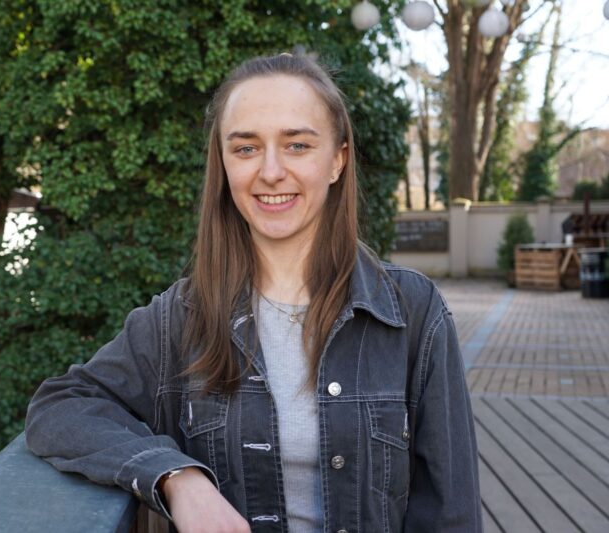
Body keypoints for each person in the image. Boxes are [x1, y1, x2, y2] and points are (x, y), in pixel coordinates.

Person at [25, 53, 481, 533]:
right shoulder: (180, 319)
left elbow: (452, 513)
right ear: (223, 164)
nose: (270, 171)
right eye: (245, 149)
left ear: (338, 160)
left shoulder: (411, 312)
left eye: (297, 145)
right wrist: (177, 478)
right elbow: (61, 405)